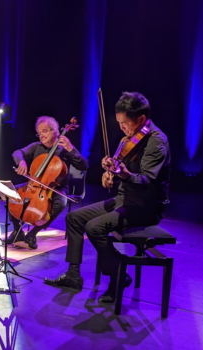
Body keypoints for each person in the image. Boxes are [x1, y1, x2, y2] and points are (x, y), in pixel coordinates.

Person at [46, 91, 171, 303]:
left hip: (145, 206)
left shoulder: (156, 143)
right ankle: (74, 275)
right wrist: (108, 172)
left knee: (95, 227)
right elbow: (117, 166)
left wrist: (125, 174)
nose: (123, 129)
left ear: (141, 119)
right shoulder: (128, 139)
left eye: (126, 124)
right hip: (125, 199)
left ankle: (118, 276)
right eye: (120, 124)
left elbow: (147, 180)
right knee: (74, 218)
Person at [6, 116, 88, 250]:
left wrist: (71, 149)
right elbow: (17, 152)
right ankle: (17, 231)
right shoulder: (36, 146)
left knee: (60, 203)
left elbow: (84, 165)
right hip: (34, 185)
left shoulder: (65, 149)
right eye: (39, 133)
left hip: (57, 187)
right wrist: (21, 161)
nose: (41, 136)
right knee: (11, 192)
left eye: (44, 131)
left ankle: (33, 233)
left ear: (55, 131)